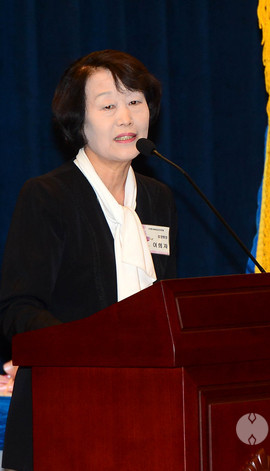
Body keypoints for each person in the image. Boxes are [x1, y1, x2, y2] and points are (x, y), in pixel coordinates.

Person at [0, 49, 177, 471]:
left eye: (135, 101)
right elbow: (18, 308)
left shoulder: (158, 200)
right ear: (79, 121)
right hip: (65, 408)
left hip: (150, 405)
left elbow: (165, 303)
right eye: (108, 106)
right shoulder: (48, 196)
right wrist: (90, 350)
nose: (126, 117)